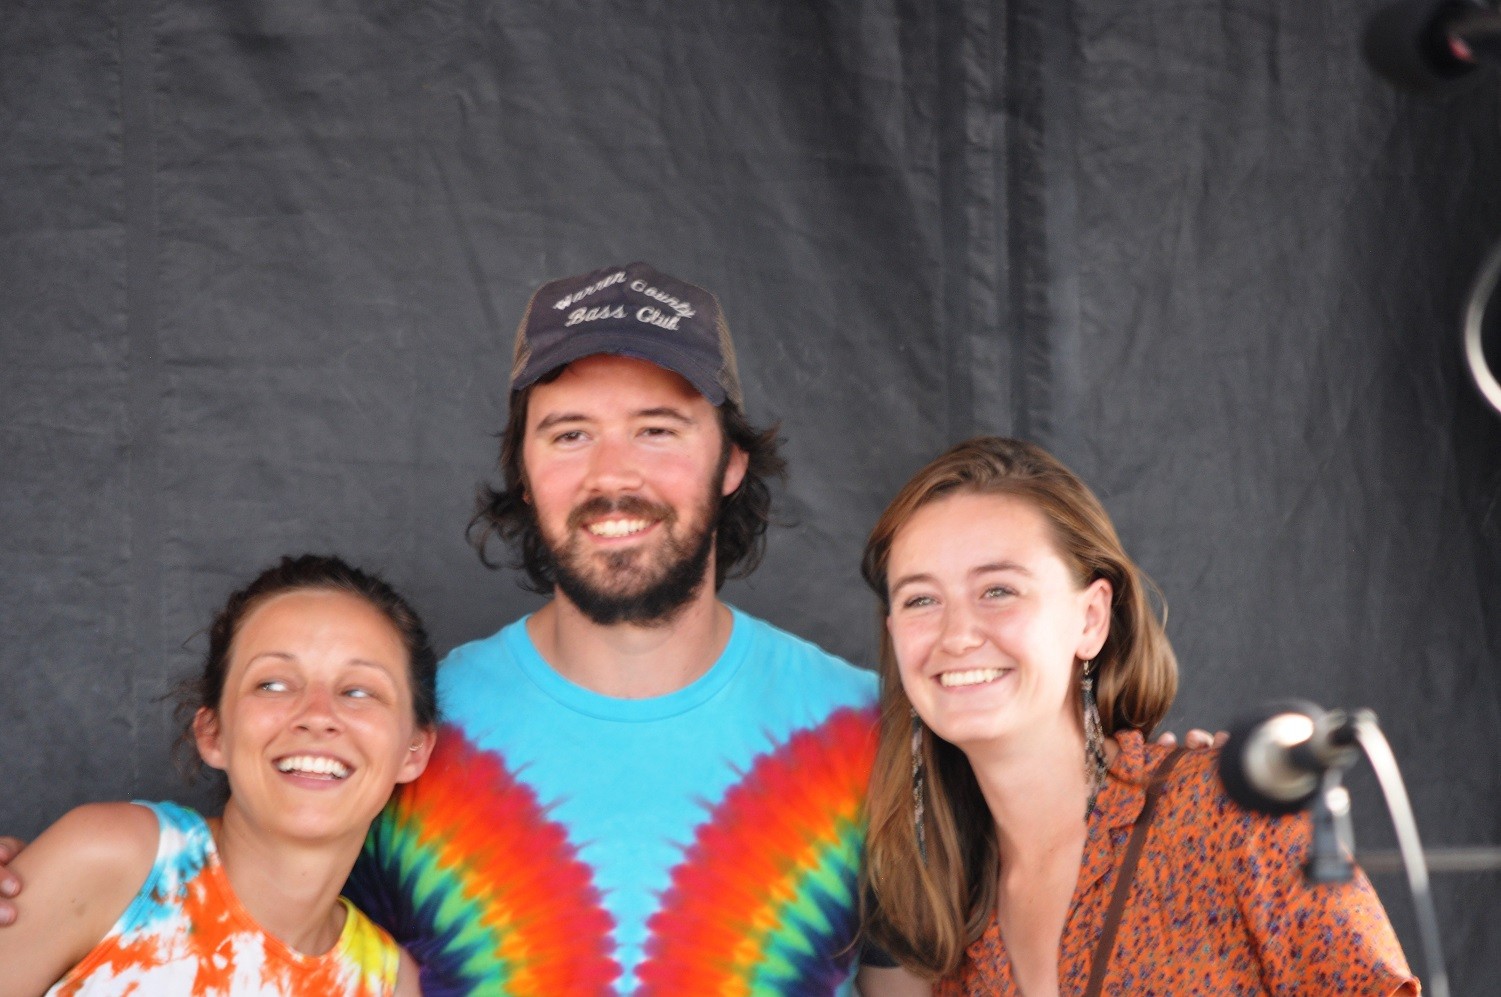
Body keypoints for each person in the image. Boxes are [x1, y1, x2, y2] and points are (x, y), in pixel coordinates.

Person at [857, 436, 1418, 995]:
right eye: (920, 600)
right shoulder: (934, 908)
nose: (956, 636)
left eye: (998, 590)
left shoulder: (1228, 815)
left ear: (1091, 619)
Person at [0, 554, 437, 997]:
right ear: (213, 733)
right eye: (273, 684)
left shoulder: (389, 983)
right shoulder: (116, 860)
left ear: (414, 750)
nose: (317, 715)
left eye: (359, 691)